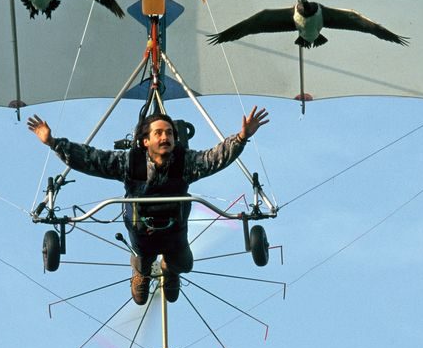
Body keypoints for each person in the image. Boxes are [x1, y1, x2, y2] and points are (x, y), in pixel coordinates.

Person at [27, 106, 269, 305]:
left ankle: (169, 270)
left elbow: (216, 157)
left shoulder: (185, 162)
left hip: (175, 230)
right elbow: (92, 159)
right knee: (144, 261)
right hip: (142, 231)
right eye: (159, 133)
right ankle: (141, 273)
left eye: (169, 133)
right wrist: (53, 143)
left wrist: (242, 137)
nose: (165, 138)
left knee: (185, 264)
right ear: (145, 141)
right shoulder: (130, 163)